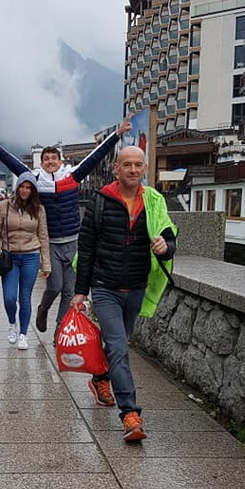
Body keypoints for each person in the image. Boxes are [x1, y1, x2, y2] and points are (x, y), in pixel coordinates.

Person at [0, 114, 132, 343]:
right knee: (55, 286)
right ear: (41, 163)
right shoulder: (36, 180)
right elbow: (12, 163)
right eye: (46, 159)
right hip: (50, 244)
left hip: (73, 242)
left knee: (70, 291)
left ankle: (60, 330)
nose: (50, 161)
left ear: (60, 161)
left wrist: (117, 134)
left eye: (53, 158)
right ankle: (43, 308)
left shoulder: (72, 176)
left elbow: (95, 156)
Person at [71, 146, 177, 442]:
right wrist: (81, 292)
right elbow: (87, 247)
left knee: (119, 345)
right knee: (118, 346)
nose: (132, 170)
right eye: (126, 164)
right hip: (105, 288)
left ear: (145, 169)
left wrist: (165, 248)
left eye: (138, 165)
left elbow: (170, 239)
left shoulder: (155, 202)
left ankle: (101, 378)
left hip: (137, 287)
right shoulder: (100, 200)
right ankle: (130, 414)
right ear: (116, 168)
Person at [0, 171, 51, 350]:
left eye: (28, 188)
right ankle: (12, 324)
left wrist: (46, 264)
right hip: (10, 257)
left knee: (25, 298)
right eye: (22, 187)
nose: (24, 190)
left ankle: (23, 334)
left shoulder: (39, 209)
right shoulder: (4, 206)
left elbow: (44, 236)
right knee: (9, 298)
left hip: (31, 255)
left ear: (33, 191)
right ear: (17, 188)